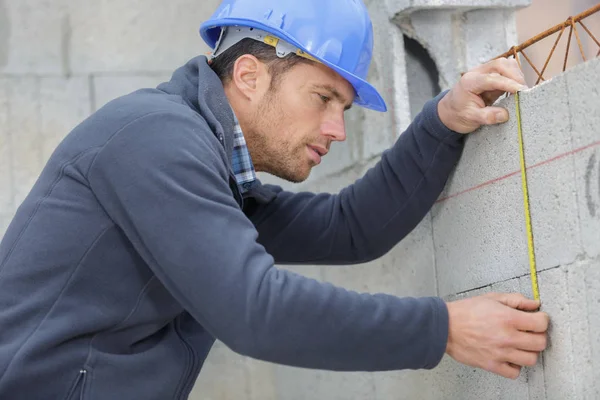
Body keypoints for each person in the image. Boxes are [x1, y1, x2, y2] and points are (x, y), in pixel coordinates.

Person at [0, 0, 549, 398]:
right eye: (323, 97)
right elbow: (254, 310)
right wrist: (446, 329)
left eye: (345, 107)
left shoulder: (202, 163)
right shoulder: (155, 140)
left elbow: (349, 227)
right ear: (249, 74)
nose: (336, 128)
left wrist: (443, 120)